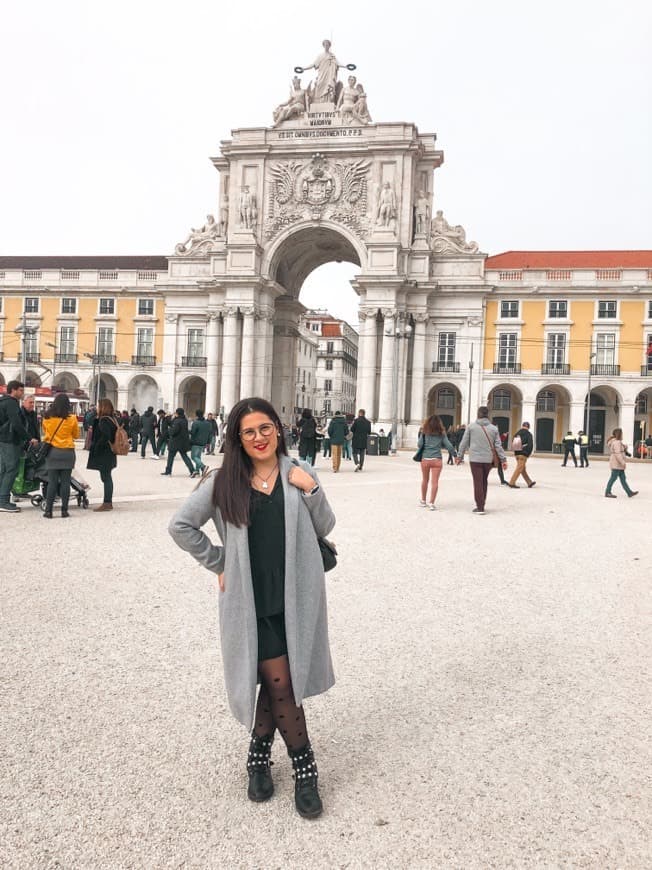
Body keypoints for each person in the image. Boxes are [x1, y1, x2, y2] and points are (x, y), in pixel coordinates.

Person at [169, 397, 335, 819]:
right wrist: (219, 561)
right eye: (248, 432)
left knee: (276, 680)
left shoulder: (299, 472)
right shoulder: (223, 481)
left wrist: (310, 489)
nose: (258, 437)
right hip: (250, 599)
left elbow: (326, 526)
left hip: (293, 595)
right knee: (279, 680)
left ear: (278, 429)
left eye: (265, 428)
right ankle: (304, 767)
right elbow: (181, 526)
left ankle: (260, 756)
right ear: (237, 439)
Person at [456, 406, 507, 514]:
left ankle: (480, 507)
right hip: (488, 459)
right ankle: (482, 503)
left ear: (478, 414)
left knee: (477, 482)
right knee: (484, 481)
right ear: (488, 415)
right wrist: (503, 459)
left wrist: (459, 456)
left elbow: (464, 443)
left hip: (475, 459)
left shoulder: (471, 427)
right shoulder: (494, 428)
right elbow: (498, 445)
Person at [0, 380, 39, 512]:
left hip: (3, 440)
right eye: (21, 390)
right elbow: (16, 424)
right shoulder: (11, 403)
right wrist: (29, 438)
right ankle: (3, 501)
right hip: (10, 440)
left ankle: (2, 499)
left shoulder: (3, 401)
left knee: (4, 470)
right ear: (14, 390)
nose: (22, 393)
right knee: (11, 469)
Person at [41, 393, 80, 518]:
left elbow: (45, 434)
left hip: (53, 452)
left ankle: (48, 511)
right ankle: (64, 510)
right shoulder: (72, 418)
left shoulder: (46, 418)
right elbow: (76, 435)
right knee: (65, 482)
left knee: (52, 483)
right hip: (67, 452)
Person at [417, 415, 456, 510]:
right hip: (437, 460)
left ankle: (423, 500)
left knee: (425, 480)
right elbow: (449, 446)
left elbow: (419, 444)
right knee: (435, 482)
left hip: (425, 459)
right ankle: (432, 503)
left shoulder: (424, 432)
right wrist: (455, 455)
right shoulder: (442, 433)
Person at [87, 398, 119, 512]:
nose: (96, 408)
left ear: (103, 407)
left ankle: (107, 502)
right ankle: (107, 501)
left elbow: (105, 436)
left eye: (98, 405)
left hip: (104, 453)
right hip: (109, 453)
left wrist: (96, 447)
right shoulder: (112, 419)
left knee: (106, 477)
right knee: (106, 476)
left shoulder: (104, 420)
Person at [161, 408, 196, 477]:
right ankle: (192, 470)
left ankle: (168, 471)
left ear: (177, 413)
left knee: (170, 457)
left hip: (175, 442)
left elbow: (173, 431)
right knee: (185, 457)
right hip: (182, 442)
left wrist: (169, 430)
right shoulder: (184, 420)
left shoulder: (177, 421)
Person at [605, 429, 638, 499]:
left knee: (623, 479)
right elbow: (618, 454)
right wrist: (623, 463)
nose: (622, 435)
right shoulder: (616, 442)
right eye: (622, 433)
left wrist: (624, 447)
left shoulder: (617, 442)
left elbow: (621, 450)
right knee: (613, 478)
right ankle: (607, 492)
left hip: (617, 464)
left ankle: (629, 492)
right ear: (619, 434)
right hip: (617, 463)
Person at [507, 421, 536, 489]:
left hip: (517, 453)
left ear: (522, 426)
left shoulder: (517, 433)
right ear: (528, 427)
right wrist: (528, 454)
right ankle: (512, 482)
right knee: (519, 468)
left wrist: (516, 452)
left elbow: (513, 443)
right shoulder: (529, 434)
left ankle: (529, 482)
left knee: (522, 468)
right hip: (523, 454)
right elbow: (530, 445)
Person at [190, 410, 212, 475]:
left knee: (193, 457)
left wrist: (188, 431)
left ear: (196, 415)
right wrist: (208, 442)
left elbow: (193, 433)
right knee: (198, 457)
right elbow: (210, 434)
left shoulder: (195, 422)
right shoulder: (208, 423)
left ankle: (203, 466)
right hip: (203, 442)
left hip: (196, 442)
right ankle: (197, 471)